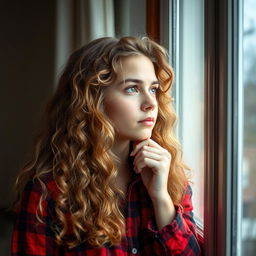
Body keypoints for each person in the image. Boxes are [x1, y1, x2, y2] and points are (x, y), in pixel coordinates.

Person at [11, 36, 203, 255]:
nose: (151, 103)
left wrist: (161, 198)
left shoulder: (170, 177)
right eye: (132, 89)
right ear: (93, 99)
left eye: (153, 89)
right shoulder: (49, 193)